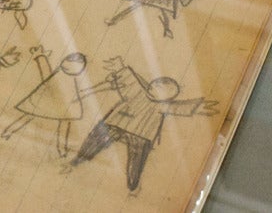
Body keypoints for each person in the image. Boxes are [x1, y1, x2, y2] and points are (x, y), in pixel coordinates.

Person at [70, 56, 218, 191]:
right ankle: (82, 156)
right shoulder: (138, 90)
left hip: (141, 133)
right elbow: (129, 77)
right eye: (155, 84)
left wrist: (198, 107)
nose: (154, 87)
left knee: (137, 157)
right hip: (118, 122)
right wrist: (121, 67)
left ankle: (132, 182)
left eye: (160, 88)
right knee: (98, 136)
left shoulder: (163, 106)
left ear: (167, 98)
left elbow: (181, 107)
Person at [1, 47, 98, 157]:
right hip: (46, 101)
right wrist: (40, 57)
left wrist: (40, 57)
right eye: (69, 61)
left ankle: (62, 149)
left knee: (59, 122)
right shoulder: (61, 74)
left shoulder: (72, 78)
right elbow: (45, 73)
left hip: (58, 104)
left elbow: (47, 74)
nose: (70, 65)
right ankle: (9, 131)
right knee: (31, 116)